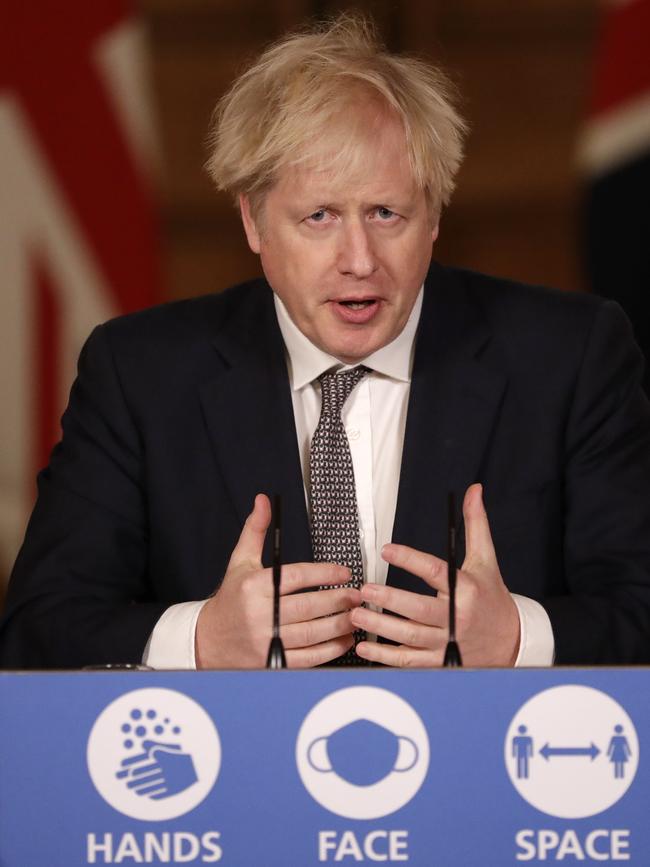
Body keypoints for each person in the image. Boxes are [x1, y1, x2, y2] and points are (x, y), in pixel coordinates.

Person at [2, 14, 650, 670]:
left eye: (386, 213)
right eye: (320, 217)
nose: (359, 259)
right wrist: (201, 640)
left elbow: (639, 605)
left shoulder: (570, 357)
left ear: (434, 213)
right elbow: (40, 628)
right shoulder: (138, 375)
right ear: (253, 219)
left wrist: (520, 638)